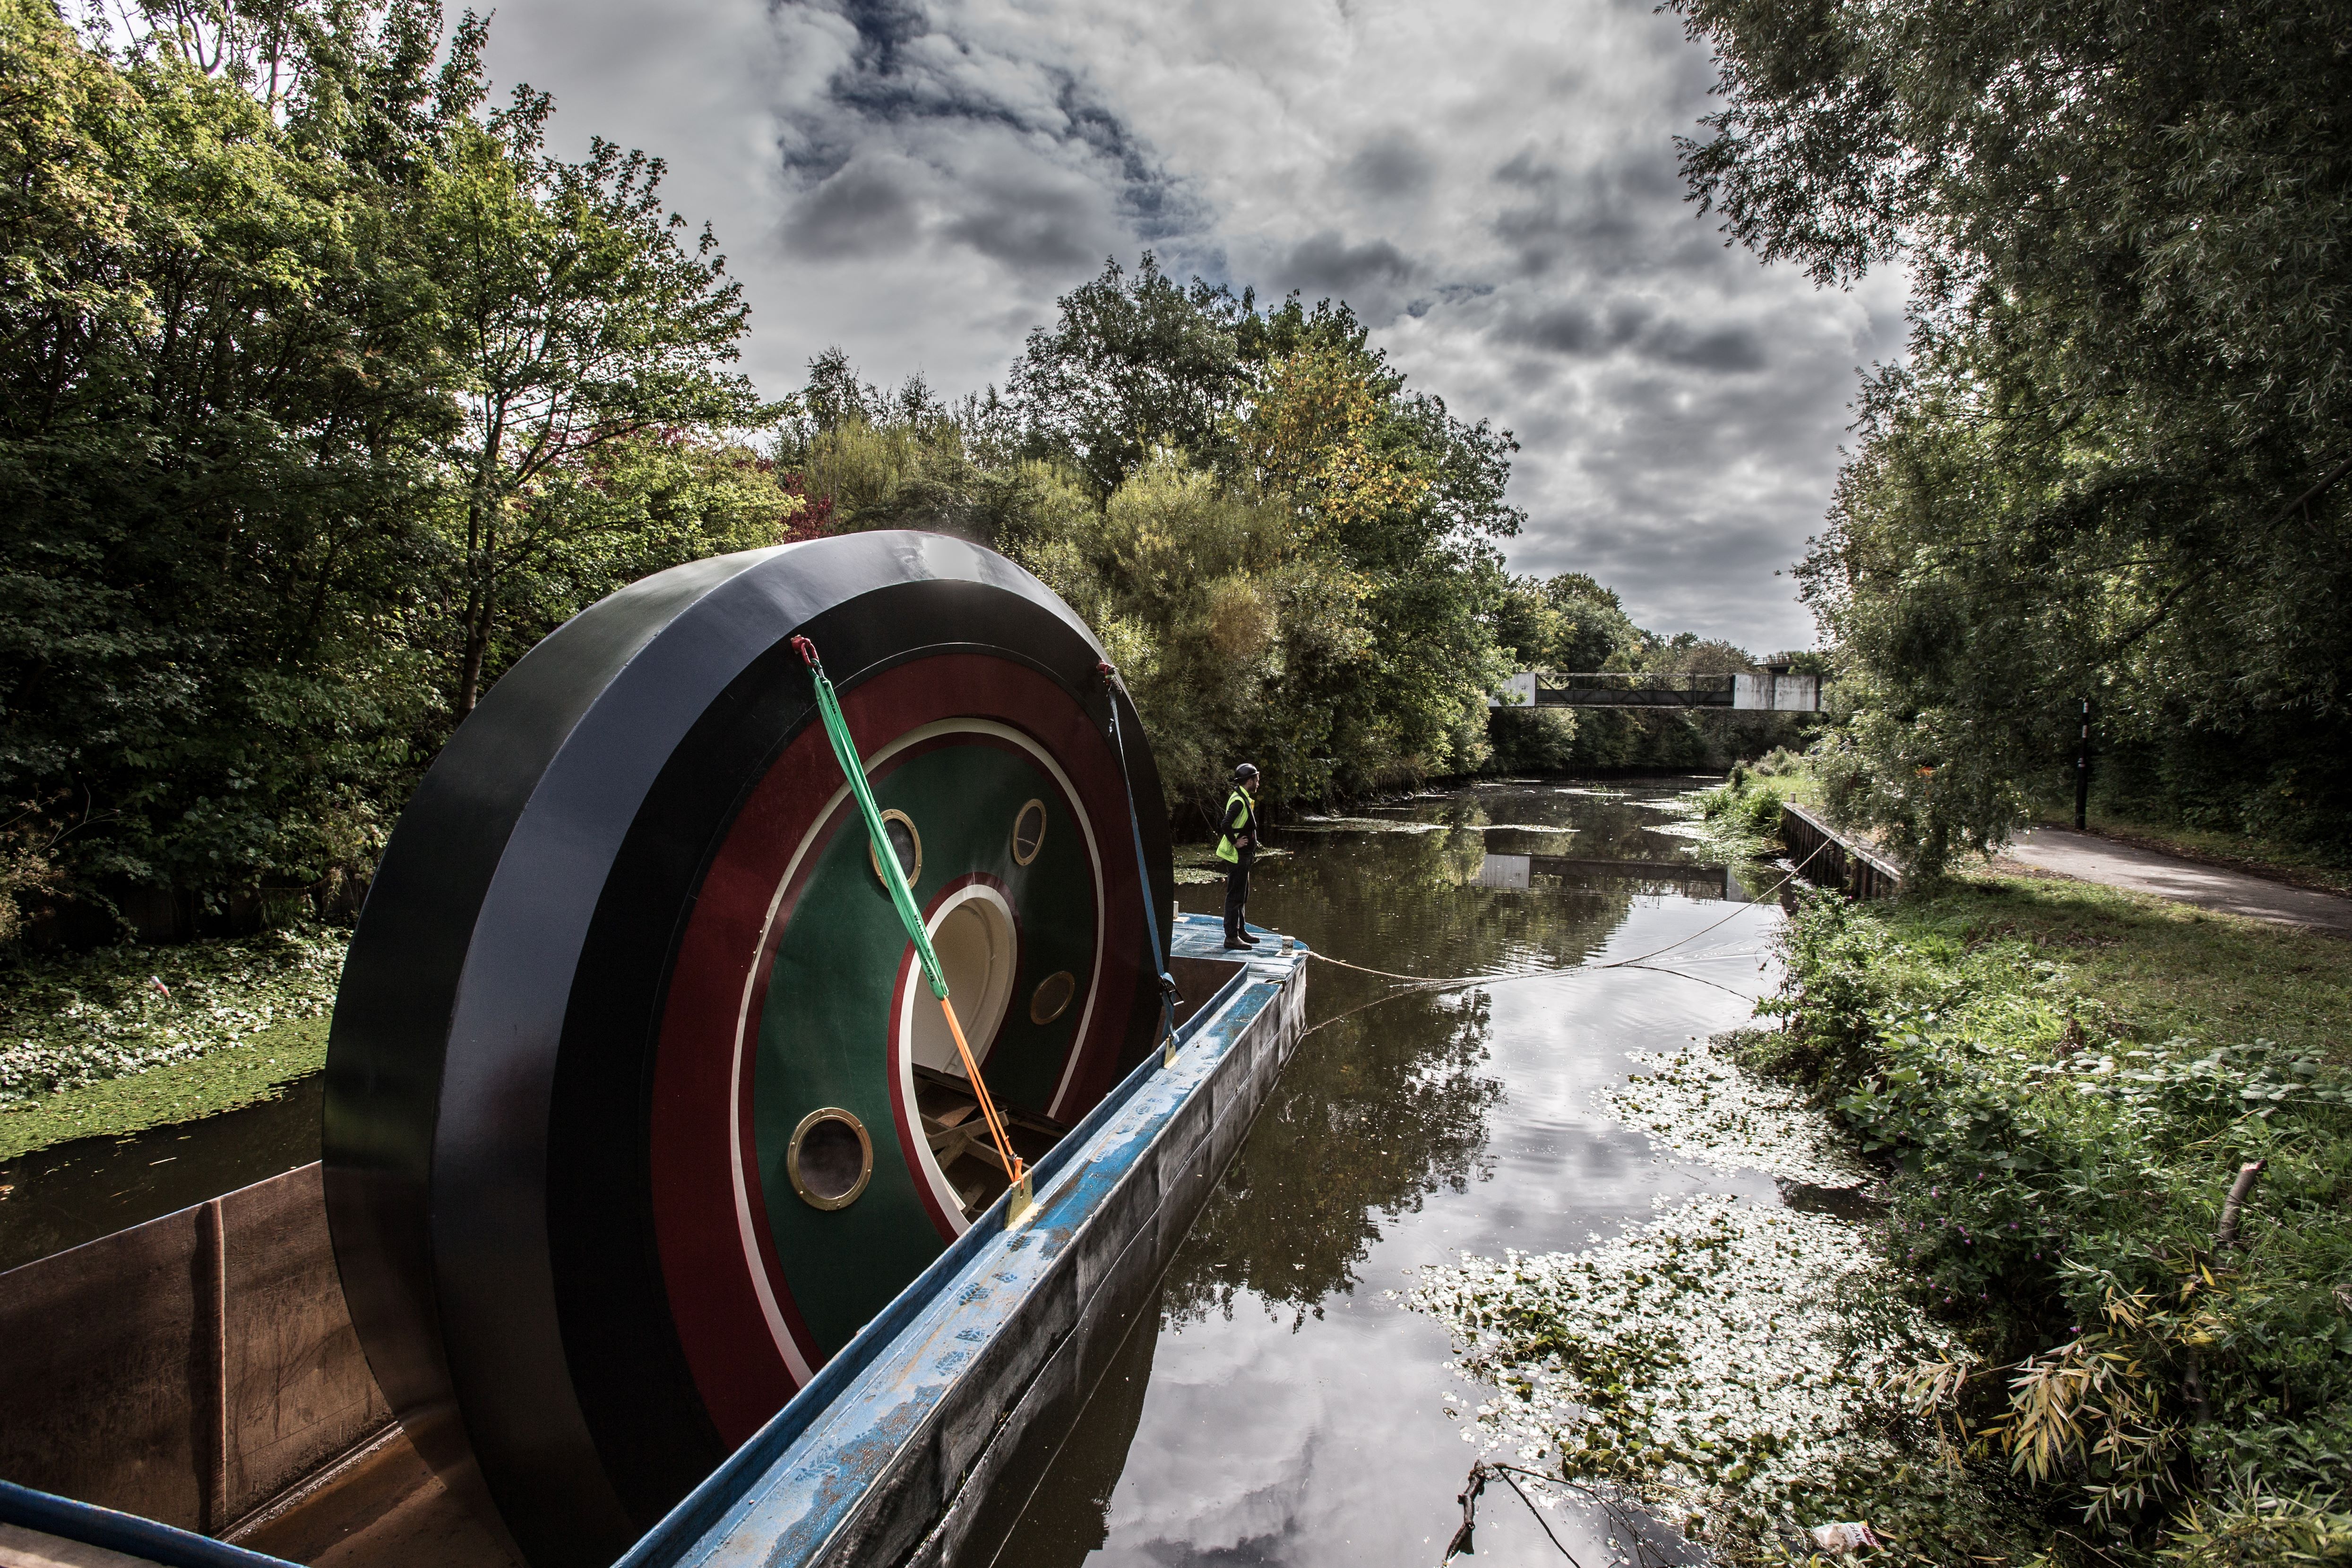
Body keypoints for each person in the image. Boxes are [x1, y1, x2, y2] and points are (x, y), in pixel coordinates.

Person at [1215, 763, 1263, 950]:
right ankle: (1231, 937)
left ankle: (1241, 931)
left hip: (1245, 855)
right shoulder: (1239, 801)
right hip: (1237, 855)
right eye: (1257, 780)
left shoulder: (1244, 798)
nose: (1258, 783)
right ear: (1249, 781)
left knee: (1243, 894)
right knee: (1235, 896)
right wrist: (1235, 842)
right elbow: (1226, 824)